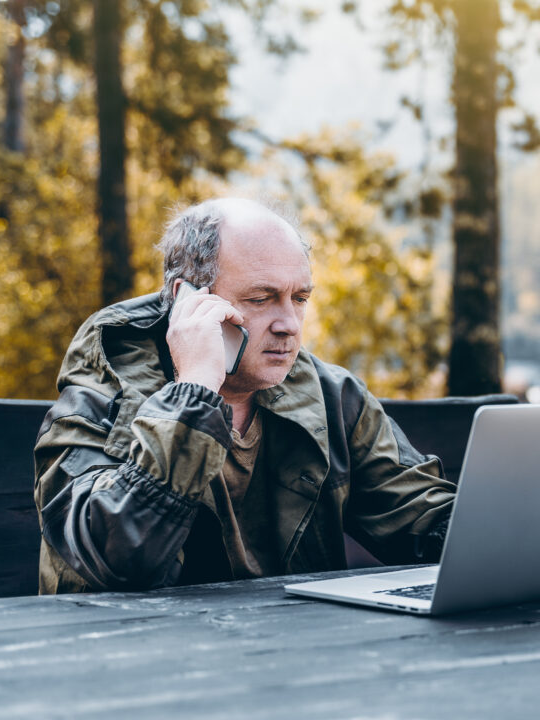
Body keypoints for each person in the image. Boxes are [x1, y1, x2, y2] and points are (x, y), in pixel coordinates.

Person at [34, 198, 454, 593]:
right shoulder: (105, 388)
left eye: (300, 298)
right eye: (260, 298)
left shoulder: (334, 397)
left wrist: (506, 527)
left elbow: (423, 517)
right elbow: (117, 554)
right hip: (141, 654)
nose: (289, 323)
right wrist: (195, 389)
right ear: (187, 300)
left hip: (293, 653)